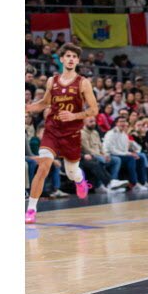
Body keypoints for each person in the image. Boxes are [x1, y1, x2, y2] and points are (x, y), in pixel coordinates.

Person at [23, 44, 98, 223]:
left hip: (71, 134)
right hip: (52, 131)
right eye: (68, 56)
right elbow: (44, 103)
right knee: (43, 167)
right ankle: (31, 209)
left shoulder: (83, 82)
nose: (71, 59)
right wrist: (28, 107)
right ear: (62, 59)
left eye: (74, 56)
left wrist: (75, 115)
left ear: (78, 60)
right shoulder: (52, 81)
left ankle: (80, 180)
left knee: (72, 172)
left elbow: (94, 110)